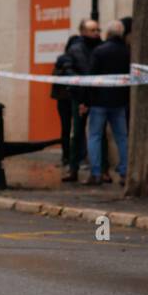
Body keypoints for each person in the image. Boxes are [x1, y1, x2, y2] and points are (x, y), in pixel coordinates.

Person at [85, 20, 130, 186]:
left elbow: (91, 77)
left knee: (95, 136)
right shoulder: (127, 52)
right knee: (122, 138)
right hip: (119, 101)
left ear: (108, 34)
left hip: (99, 101)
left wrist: (87, 100)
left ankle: (96, 173)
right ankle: (125, 171)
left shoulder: (99, 51)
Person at [57, 19, 101, 183]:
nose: (96, 33)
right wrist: (80, 94)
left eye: (98, 30)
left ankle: (101, 170)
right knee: (77, 133)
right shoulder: (75, 50)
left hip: (98, 97)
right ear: (83, 32)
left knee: (99, 133)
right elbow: (68, 70)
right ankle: (73, 168)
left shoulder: (100, 48)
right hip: (79, 96)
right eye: (92, 30)